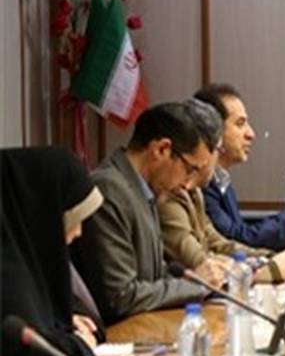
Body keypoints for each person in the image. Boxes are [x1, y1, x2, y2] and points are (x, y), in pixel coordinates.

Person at [74, 102, 218, 324]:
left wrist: (193, 278)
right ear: (161, 150)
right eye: (190, 170)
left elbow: (154, 275)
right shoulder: (109, 190)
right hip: (115, 335)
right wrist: (196, 286)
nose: (188, 184)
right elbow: (121, 297)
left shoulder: (144, 190)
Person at [160, 100, 285, 285]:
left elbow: (219, 243)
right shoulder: (171, 195)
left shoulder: (197, 191)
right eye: (240, 124)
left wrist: (270, 258)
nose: (250, 134)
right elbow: (202, 263)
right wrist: (270, 269)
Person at [1, 148, 105, 356]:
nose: (79, 232)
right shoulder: (8, 267)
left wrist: (68, 323)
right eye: (73, 217)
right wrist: (78, 346)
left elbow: (87, 319)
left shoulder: (34, 257)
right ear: (44, 209)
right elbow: (18, 349)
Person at [198, 83, 285, 251]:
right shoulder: (200, 183)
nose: (251, 134)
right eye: (240, 124)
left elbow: (240, 230)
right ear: (214, 131)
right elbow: (233, 239)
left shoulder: (221, 179)